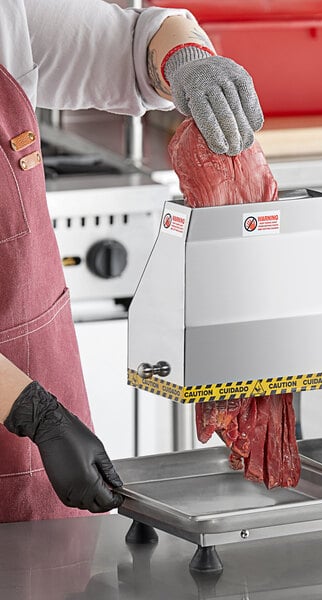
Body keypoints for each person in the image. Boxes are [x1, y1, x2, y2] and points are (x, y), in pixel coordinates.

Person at [0, 0, 264, 522]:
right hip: (29, 412)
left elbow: (134, 44)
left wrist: (187, 58)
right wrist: (34, 412)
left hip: (38, 400)